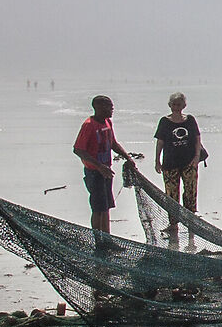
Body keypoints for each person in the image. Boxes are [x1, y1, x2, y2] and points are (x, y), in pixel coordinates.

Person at [73, 96, 143, 241]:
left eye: (112, 106)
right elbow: (78, 150)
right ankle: (99, 240)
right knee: (98, 208)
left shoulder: (107, 122)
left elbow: (113, 144)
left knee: (106, 207)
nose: (112, 109)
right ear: (98, 107)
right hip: (94, 172)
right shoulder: (89, 125)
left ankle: (107, 238)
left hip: (106, 172)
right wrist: (99, 167)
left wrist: (127, 157)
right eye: (108, 106)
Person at [153, 93, 209, 250]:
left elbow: (197, 139)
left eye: (179, 104)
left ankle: (191, 221)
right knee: (171, 193)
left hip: (189, 161)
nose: (177, 107)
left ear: (184, 105)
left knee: (190, 190)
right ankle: (173, 224)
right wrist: (157, 160)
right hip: (170, 163)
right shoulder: (164, 121)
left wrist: (197, 157)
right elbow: (160, 142)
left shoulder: (190, 120)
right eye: (174, 104)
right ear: (170, 105)